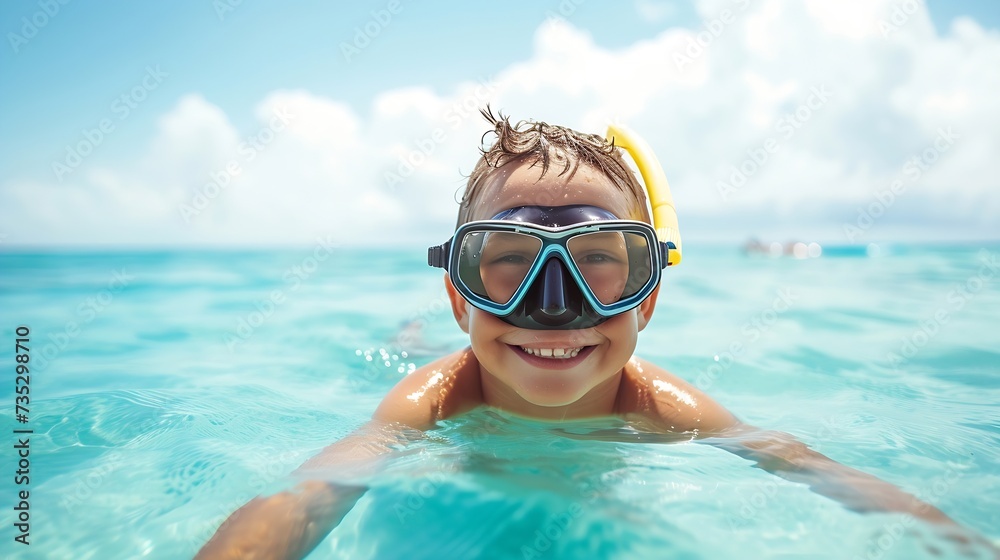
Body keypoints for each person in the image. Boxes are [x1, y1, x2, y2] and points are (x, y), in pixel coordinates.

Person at [196, 109, 984, 559]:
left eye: (599, 266)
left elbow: (802, 465)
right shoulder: (433, 401)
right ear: (457, 295)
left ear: (646, 301)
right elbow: (309, 494)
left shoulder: (660, 404)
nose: (553, 306)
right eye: (505, 264)